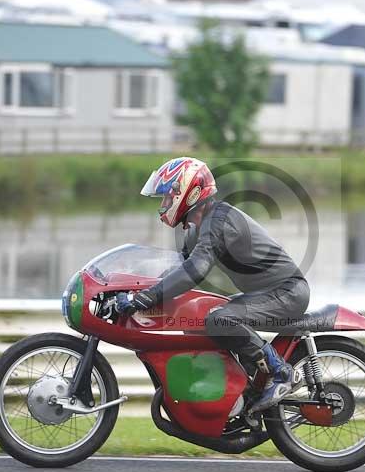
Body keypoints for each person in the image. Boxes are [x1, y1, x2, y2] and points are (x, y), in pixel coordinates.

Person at [116, 157, 309, 413]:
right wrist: (136, 290)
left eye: (168, 197)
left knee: (219, 319)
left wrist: (147, 297)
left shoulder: (219, 220)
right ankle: (239, 391)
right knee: (198, 316)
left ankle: (281, 372)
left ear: (189, 193)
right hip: (265, 293)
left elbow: (195, 270)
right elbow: (178, 270)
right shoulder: (196, 229)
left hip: (287, 292)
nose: (164, 205)